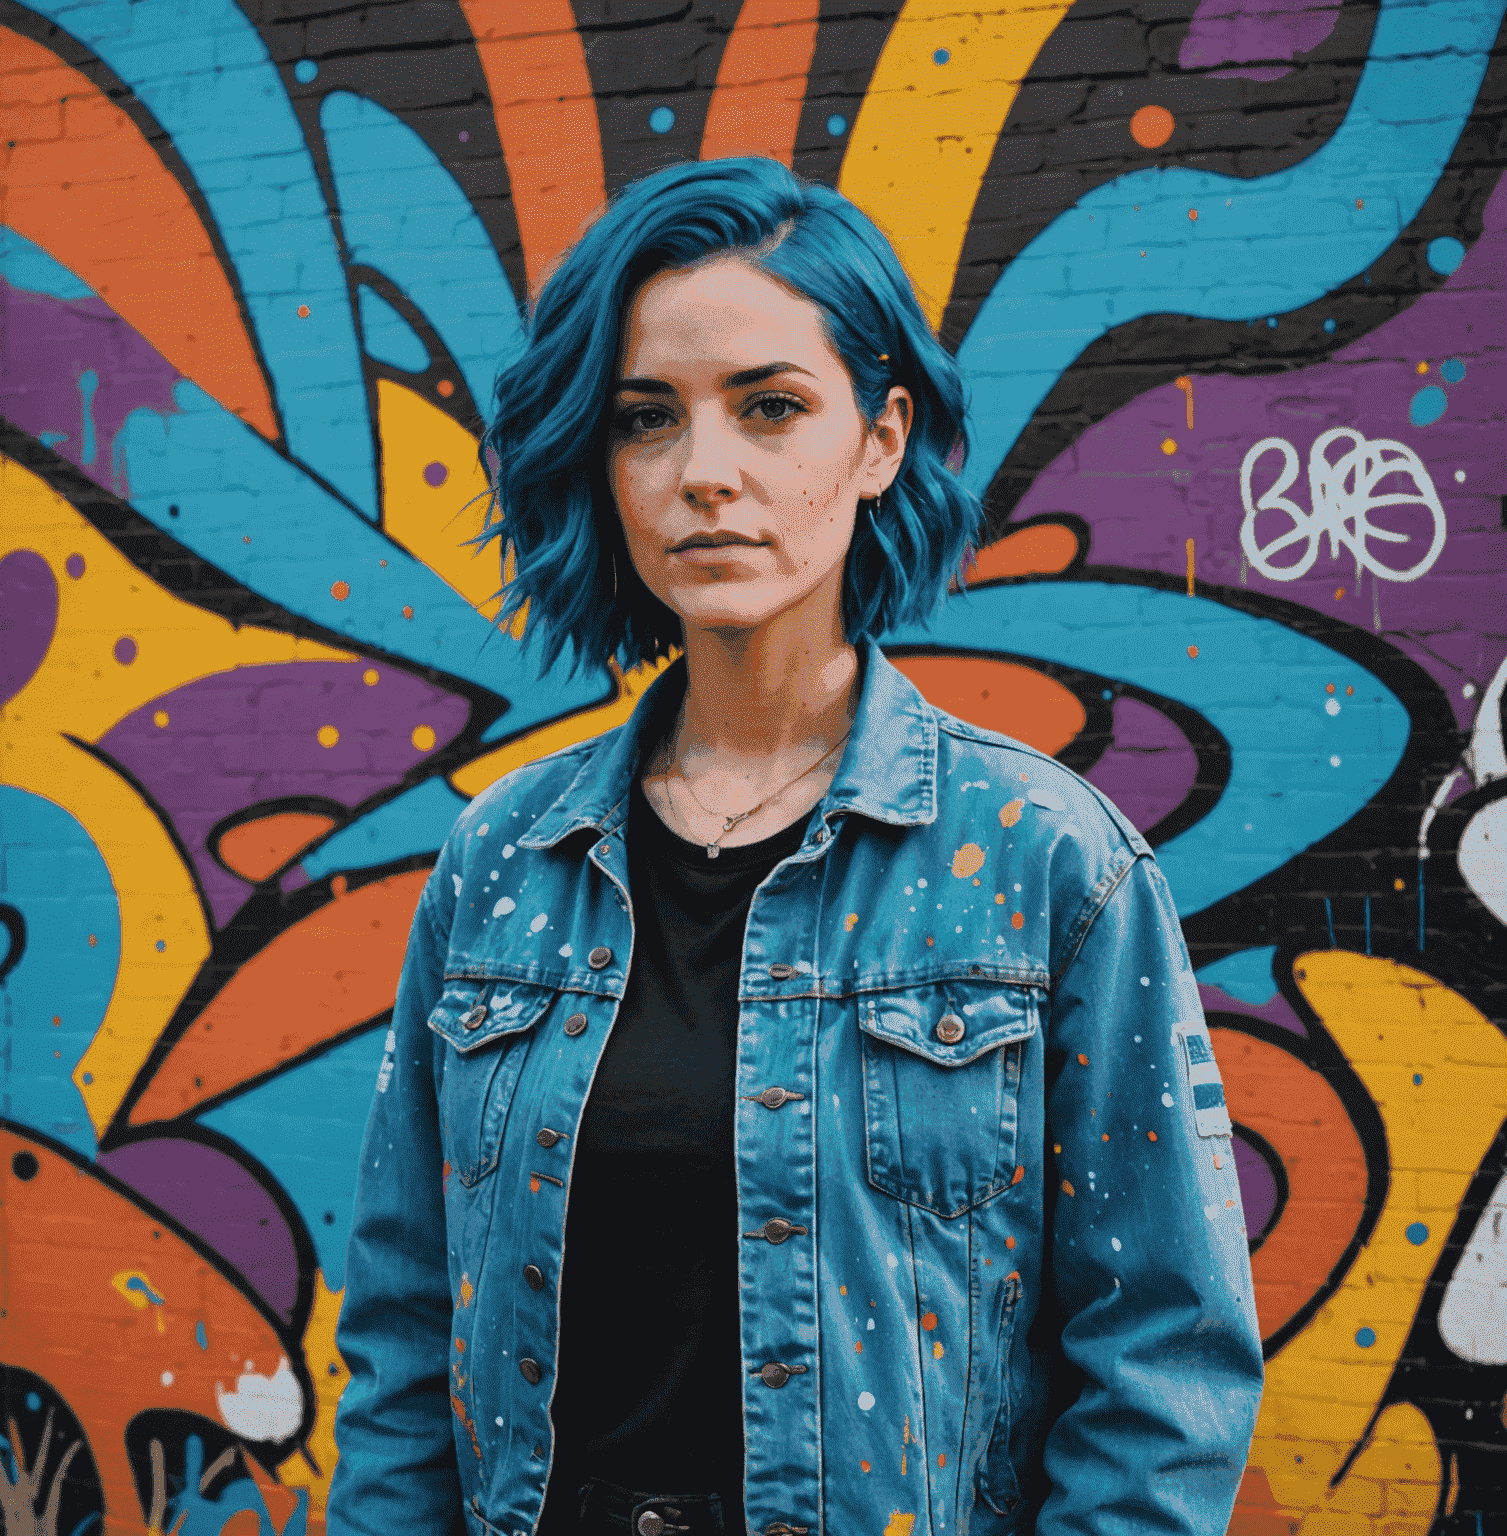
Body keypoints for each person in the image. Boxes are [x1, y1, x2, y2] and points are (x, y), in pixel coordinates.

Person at [326, 157, 1263, 1536]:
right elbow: (407, 1326)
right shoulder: (504, 864)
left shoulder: (1044, 863)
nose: (707, 474)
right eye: (649, 420)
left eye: (770, 408)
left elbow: (1164, 1360)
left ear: (880, 440)